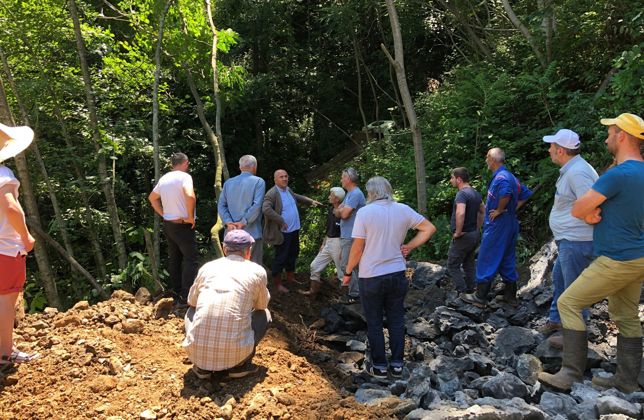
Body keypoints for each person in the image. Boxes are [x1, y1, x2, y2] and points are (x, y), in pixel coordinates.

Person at [539, 113, 644, 393]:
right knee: (626, 315)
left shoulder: (619, 174)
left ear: (622, 135)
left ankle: (570, 373)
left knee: (569, 302)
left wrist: (593, 213)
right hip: (637, 257)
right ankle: (626, 381)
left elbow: (579, 209)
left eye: (610, 133)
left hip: (616, 258)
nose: (607, 138)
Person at [343, 177, 436, 378]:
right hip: (396, 272)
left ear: (371, 192)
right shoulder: (402, 209)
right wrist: (410, 246)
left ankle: (379, 367)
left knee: (374, 322)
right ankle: (397, 365)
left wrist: (348, 272)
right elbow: (429, 228)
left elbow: (357, 248)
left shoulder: (365, 213)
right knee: (396, 319)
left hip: (371, 275)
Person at [183, 229, 271, 380]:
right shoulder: (257, 271)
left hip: (196, 355)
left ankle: (202, 367)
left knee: (191, 310)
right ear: (248, 251)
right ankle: (241, 366)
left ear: (224, 249)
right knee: (265, 314)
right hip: (236, 355)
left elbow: (191, 302)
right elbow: (261, 306)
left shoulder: (207, 268)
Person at [538, 129, 598, 336]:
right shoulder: (573, 169)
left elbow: (593, 204)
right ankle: (556, 320)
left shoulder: (578, 172)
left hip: (578, 240)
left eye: (552, 147)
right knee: (561, 280)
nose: (549, 151)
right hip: (569, 240)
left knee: (574, 288)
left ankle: (576, 333)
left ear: (561, 150)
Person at [461, 148, 533, 307]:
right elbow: (526, 194)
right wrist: (511, 209)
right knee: (507, 258)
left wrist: (500, 210)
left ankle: (480, 297)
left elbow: (506, 193)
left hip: (498, 225)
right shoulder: (510, 176)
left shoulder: (501, 178)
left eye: (487, 157)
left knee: (486, 256)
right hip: (510, 223)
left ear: (493, 160)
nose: (486, 160)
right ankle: (510, 296)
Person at [0, 123, 38, 371]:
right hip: (6, 247)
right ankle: (5, 353)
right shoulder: (3, 174)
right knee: (5, 301)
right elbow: (11, 207)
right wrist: (26, 237)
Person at [148, 152, 198, 301]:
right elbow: (190, 195)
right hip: (182, 224)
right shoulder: (185, 177)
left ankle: (176, 293)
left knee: (175, 259)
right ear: (185, 163)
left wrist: (163, 214)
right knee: (190, 259)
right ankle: (187, 296)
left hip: (168, 224)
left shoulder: (164, 178)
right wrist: (190, 216)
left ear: (172, 164)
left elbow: (152, 198)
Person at [262, 169, 321, 293]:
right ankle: (277, 284)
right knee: (281, 257)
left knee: (293, 254)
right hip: (283, 233)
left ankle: (290, 278)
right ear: (275, 180)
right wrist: (280, 220)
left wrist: (310, 201)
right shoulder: (272, 193)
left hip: (294, 230)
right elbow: (266, 209)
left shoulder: (287, 189)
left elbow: (296, 196)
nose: (284, 179)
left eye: (286, 176)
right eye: (281, 177)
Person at [217, 155, 266, 265]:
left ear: (240, 167)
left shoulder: (228, 183)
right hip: (252, 234)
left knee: (233, 269)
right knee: (254, 270)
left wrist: (228, 222)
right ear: (254, 167)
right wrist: (243, 222)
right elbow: (257, 205)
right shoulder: (259, 182)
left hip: (231, 234)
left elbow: (221, 205)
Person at [300, 187, 346, 298]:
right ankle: (313, 292)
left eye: (331, 195)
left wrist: (343, 247)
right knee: (315, 266)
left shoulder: (345, 212)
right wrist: (324, 243)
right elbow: (329, 228)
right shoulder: (331, 210)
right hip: (329, 241)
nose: (329, 197)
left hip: (338, 242)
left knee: (342, 272)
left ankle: (347, 297)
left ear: (337, 199)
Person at [446, 167, 484, 294]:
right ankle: (472, 291)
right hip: (473, 234)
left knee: (452, 265)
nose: (451, 180)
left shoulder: (461, 194)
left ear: (459, 179)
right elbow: (482, 211)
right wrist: (477, 228)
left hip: (463, 236)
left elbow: (460, 213)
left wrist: (457, 231)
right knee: (468, 264)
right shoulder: (475, 193)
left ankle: (462, 293)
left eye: (452, 178)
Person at [334, 168, 366, 304]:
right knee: (355, 265)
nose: (341, 180)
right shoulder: (349, 194)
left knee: (346, 265)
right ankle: (360, 292)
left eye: (342, 177)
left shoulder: (355, 194)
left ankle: (355, 294)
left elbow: (344, 214)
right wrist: (340, 210)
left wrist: (341, 210)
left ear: (348, 179)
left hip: (352, 235)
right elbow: (337, 211)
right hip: (349, 234)